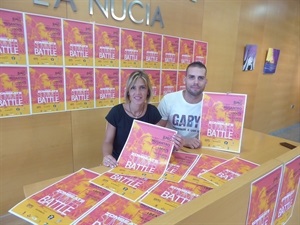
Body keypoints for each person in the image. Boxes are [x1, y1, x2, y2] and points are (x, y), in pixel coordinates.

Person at [102, 70, 181, 168]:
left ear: (147, 91)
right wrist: (107, 156)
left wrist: (172, 143)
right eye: (133, 88)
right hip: (118, 164)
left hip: (144, 164)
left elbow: (158, 143)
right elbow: (107, 142)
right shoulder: (116, 112)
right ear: (128, 92)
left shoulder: (152, 112)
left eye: (142, 88)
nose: (137, 92)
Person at [158, 61, 208, 149]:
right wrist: (184, 140)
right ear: (185, 80)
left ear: (205, 82)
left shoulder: (212, 104)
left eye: (200, 78)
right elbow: (156, 131)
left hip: (199, 151)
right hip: (172, 150)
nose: (196, 82)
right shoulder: (169, 100)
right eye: (191, 77)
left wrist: (229, 100)